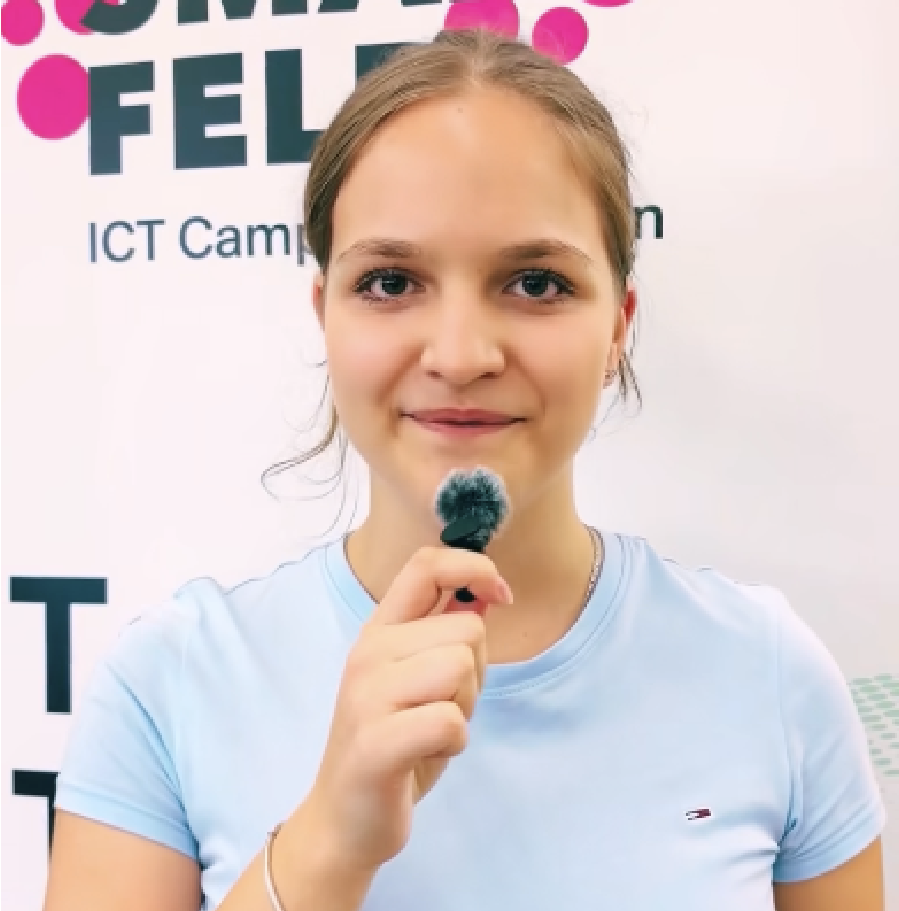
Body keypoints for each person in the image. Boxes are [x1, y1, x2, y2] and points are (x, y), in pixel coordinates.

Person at [44, 28, 886, 911]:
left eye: (535, 283)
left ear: (617, 325)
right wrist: (328, 842)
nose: (458, 354)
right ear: (324, 314)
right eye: (389, 282)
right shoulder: (168, 685)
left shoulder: (766, 670)